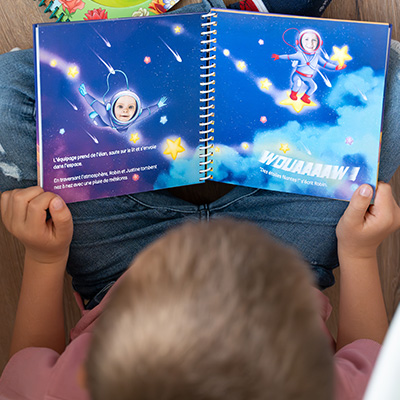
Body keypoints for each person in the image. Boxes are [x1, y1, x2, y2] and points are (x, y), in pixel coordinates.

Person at [0, 182, 399, 400]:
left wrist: (44, 258)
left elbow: (31, 361)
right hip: (279, 259)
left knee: (14, 92)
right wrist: (359, 253)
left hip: (126, 260)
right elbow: (371, 361)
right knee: (389, 87)